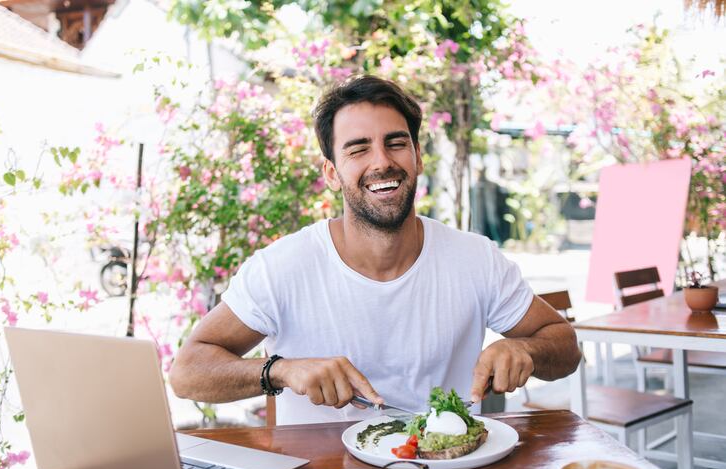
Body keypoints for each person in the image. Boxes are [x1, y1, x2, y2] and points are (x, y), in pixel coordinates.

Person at [169, 75, 581, 425]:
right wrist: (282, 371)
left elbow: (565, 346)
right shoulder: (282, 268)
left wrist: (524, 348)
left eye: (396, 143)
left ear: (418, 158)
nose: (382, 162)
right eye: (358, 148)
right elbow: (187, 372)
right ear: (332, 172)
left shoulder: (476, 259)